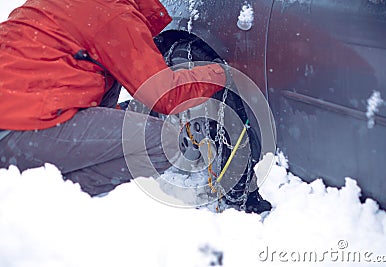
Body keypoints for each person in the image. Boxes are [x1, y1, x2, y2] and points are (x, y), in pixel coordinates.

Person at [0, 0, 226, 196]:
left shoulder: (55, 5)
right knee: (165, 142)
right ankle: (50, 199)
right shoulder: (113, 14)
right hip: (19, 131)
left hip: (15, 119)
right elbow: (167, 95)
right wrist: (222, 73)